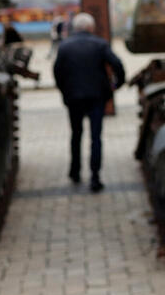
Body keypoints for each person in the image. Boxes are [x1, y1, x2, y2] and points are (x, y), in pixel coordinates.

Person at [52, 12, 125, 193]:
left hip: (74, 98)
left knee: (76, 135)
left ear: (74, 28)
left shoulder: (65, 46)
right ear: (91, 28)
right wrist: (116, 85)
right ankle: (95, 178)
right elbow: (118, 65)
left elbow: (57, 72)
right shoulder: (100, 44)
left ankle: (75, 172)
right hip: (96, 97)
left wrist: (65, 92)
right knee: (96, 138)